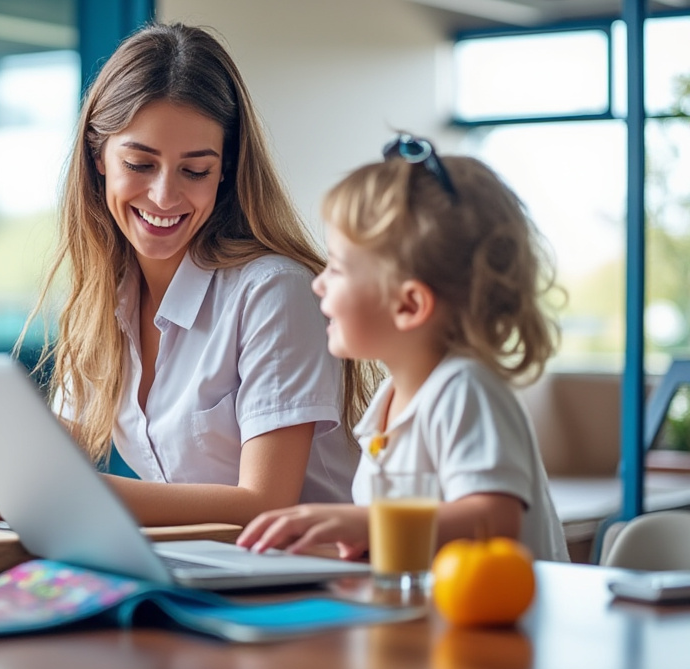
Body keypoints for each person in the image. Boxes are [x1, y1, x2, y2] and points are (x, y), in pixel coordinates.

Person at [0, 22, 380, 526]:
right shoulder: (104, 298)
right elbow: (47, 465)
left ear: (225, 169)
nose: (164, 196)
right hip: (197, 572)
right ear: (99, 158)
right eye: (140, 163)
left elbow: (265, 504)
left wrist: (61, 488)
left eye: (195, 170)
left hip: (309, 587)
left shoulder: (273, 291)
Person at [236, 134, 570, 562]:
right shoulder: (388, 400)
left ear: (409, 304)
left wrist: (368, 524)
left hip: (506, 626)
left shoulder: (465, 390)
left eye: (336, 269)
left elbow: (493, 520)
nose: (318, 283)